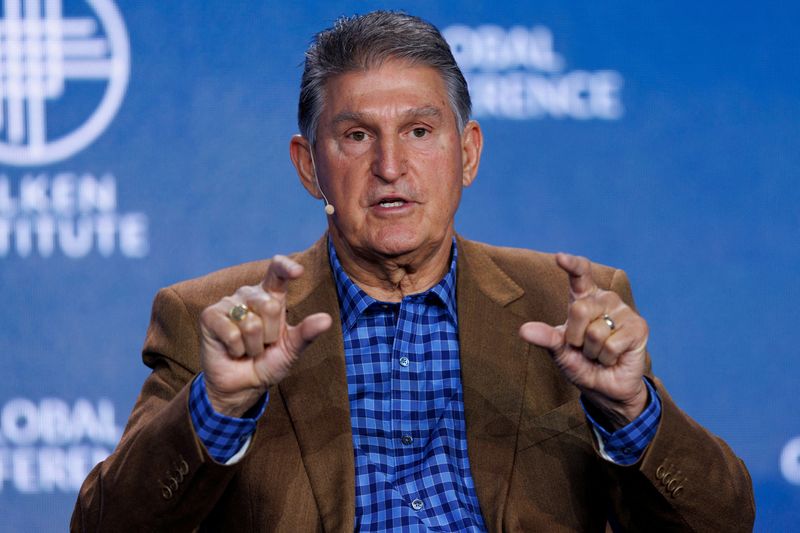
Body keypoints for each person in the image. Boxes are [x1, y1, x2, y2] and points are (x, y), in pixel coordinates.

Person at [72, 11, 754, 532]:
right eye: (357, 135)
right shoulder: (215, 319)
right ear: (309, 165)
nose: (390, 167)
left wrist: (631, 410)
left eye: (420, 132)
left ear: (468, 153)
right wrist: (217, 407)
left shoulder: (567, 306)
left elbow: (722, 520)